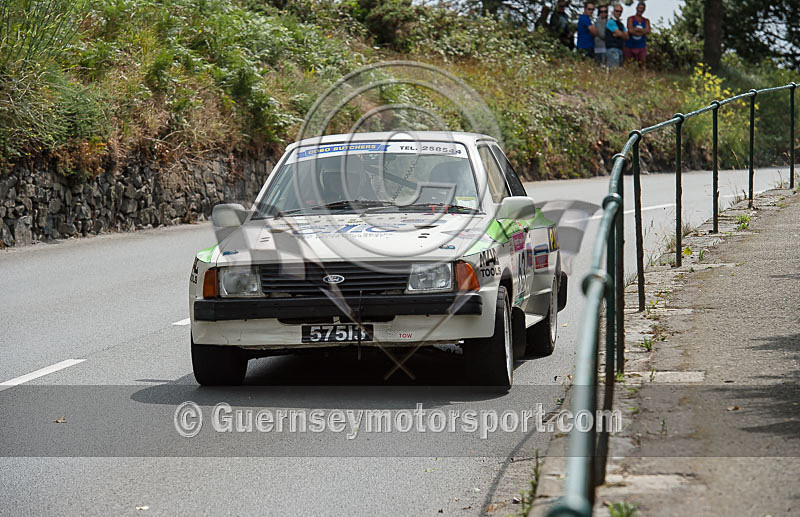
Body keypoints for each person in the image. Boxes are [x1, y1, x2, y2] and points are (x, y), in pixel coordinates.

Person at [625, 1, 651, 67]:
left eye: (642, 8)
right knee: (628, 64)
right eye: (639, 8)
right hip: (630, 45)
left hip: (641, 46)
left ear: (644, 10)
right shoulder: (631, 18)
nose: (640, 10)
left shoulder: (646, 20)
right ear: (636, 8)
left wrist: (637, 30)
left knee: (642, 64)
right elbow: (630, 30)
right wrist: (642, 32)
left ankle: (642, 77)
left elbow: (648, 31)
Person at [605, 3, 628, 68]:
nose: (619, 13)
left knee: (618, 70)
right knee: (614, 69)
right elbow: (619, 33)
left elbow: (626, 36)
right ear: (613, 11)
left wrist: (620, 34)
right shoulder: (610, 22)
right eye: (617, 11)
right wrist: (620, 34)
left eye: (620, 11)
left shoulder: (621, 24)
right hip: (612, 49)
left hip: (620, 49)